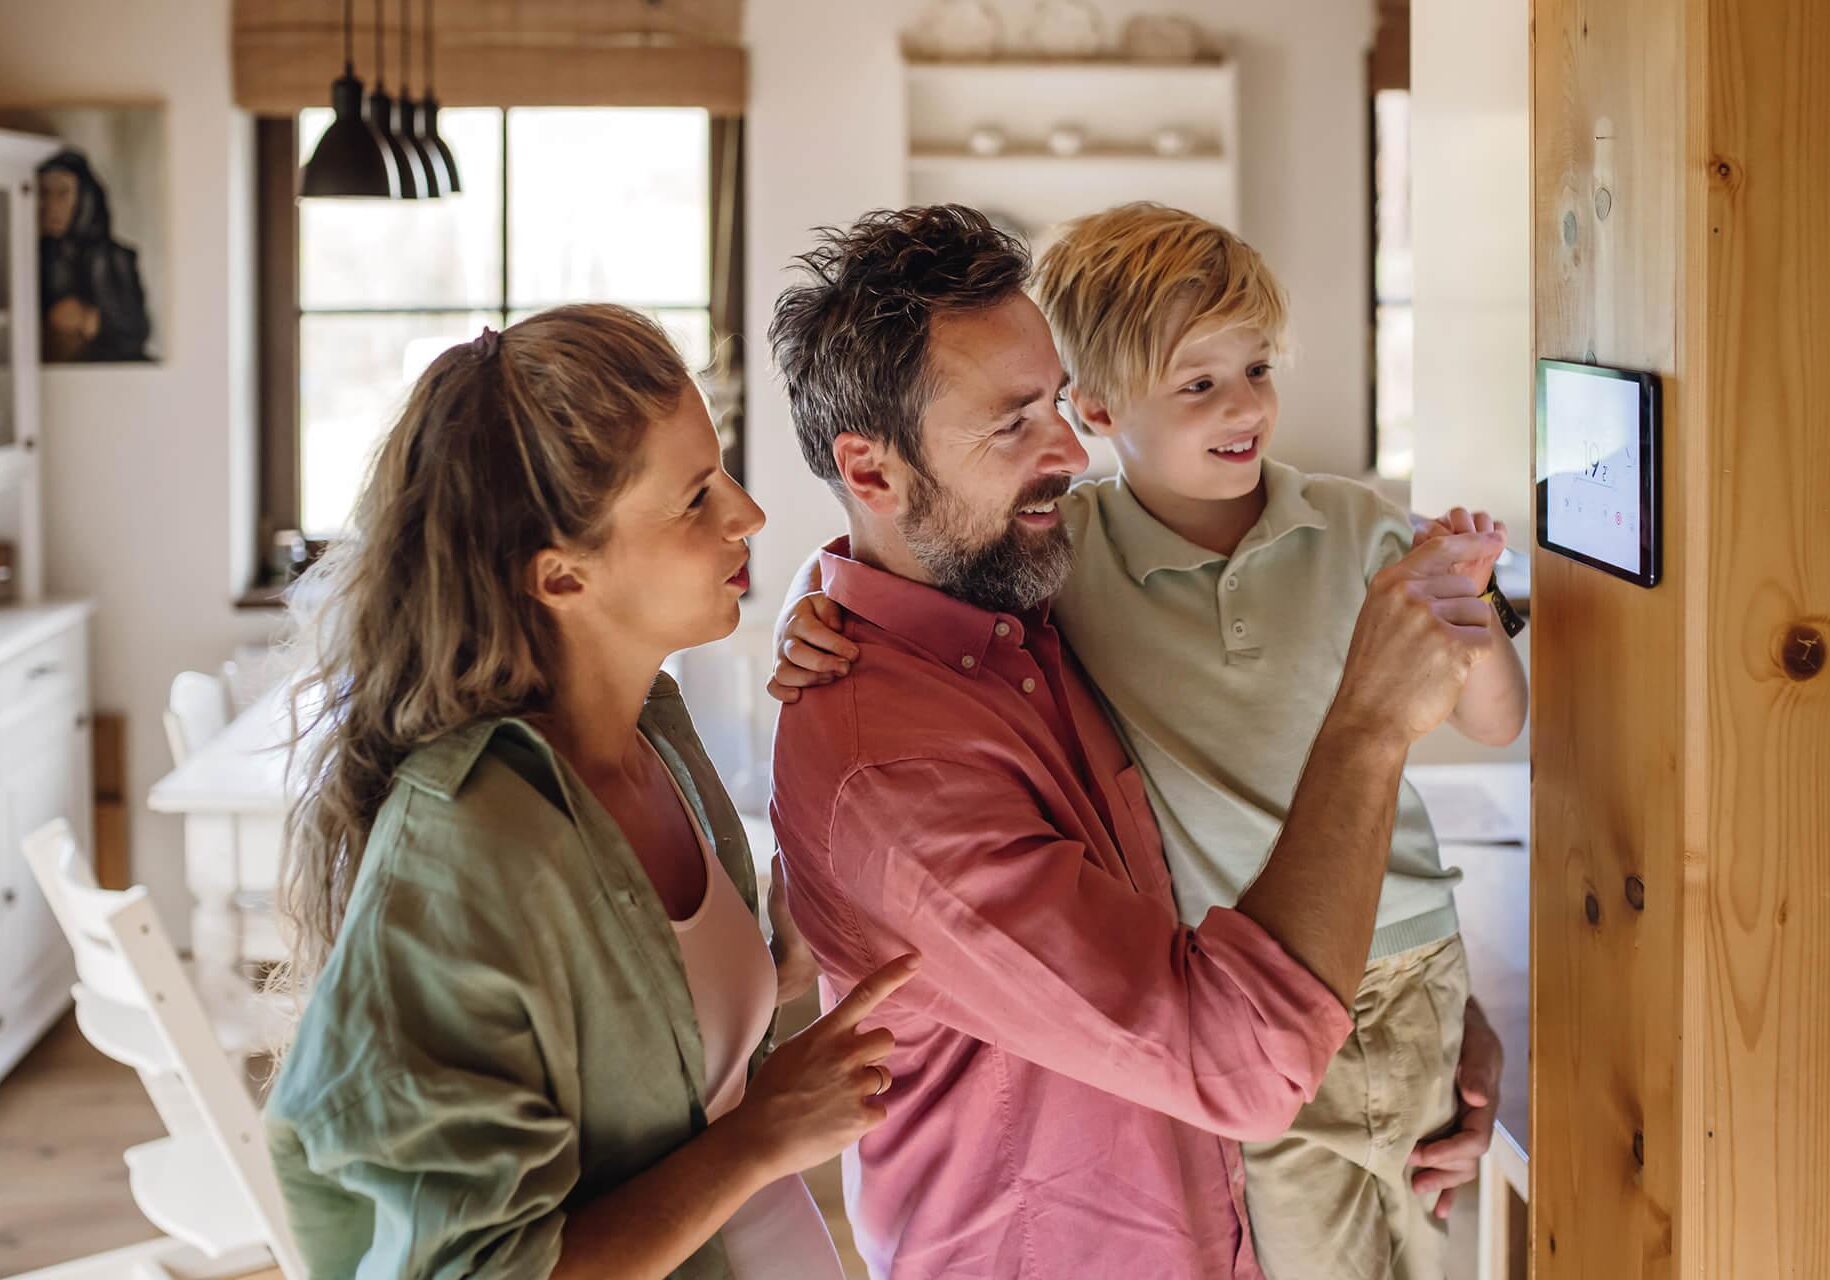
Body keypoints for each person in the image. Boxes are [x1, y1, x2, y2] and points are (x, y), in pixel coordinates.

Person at [776, 202, 1523, 1279]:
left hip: (1294, 1095)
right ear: (875, 472)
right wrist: (1367, 725)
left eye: (1053, 409)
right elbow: (1241, 1056)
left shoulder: (1014, 592)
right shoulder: (903, 754)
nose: (1066, 450)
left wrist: (1424, 979)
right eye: (1014, 420)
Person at [264, 304, 912, 1280]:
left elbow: (665, 1068)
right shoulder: (461, 847)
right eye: (695, 498)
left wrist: (785, 963)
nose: (748, 514)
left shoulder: (655, 735)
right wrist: (765, 1135)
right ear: (562, 575)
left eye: (722, 469)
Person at [37, 150, 151, 362]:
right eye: (43, 193)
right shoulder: (29, 257)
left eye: (62, 193)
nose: (51, 206)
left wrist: (90, 319)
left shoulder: (113, 257)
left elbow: (135, 331)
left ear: (84, 198)